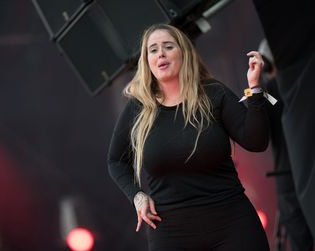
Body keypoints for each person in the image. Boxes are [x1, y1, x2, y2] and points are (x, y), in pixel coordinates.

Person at [107, 24, 270, 251]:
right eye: (153, 50)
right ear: (147, 62)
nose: (160, 53)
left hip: (232, 223)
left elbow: (256, 141)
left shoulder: (213, 93)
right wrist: (137, 196)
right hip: (171, 232)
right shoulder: (138, 108)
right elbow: (115, 161)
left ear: (183, 53)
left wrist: (254, 89)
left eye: (168, 46)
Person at [259, 39, 314, 251]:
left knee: (300, 241)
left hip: (290, 178)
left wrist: (258, 88)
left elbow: (268, 99)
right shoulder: (299, 85)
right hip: (305, 171)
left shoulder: (271, 91)